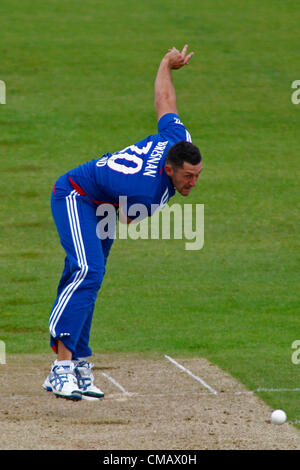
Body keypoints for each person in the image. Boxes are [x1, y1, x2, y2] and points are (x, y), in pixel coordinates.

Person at [43, 45, 203, 401]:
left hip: (102, 204)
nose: (193, 183)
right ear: (168, 169)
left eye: (197, 175)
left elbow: (165, 104)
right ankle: (61, 369)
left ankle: (80, 363)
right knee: (87, 270)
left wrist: (165, 64)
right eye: (188, 177)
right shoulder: (148, 194)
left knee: (88, 276)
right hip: (75, 194)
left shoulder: (178, 140)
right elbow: (128, 216)